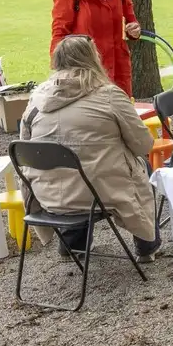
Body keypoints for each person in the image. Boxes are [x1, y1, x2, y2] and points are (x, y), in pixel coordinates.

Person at [20, 35, 160, 262]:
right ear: (93, 59)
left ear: (57, 62)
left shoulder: (36, 99)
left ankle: (71, 245)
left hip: (48, 195)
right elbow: (143, 144)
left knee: (71, 170)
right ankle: (147, 245)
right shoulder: (109, 95)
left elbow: (26, 148)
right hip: (97, 193)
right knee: (140, 165)